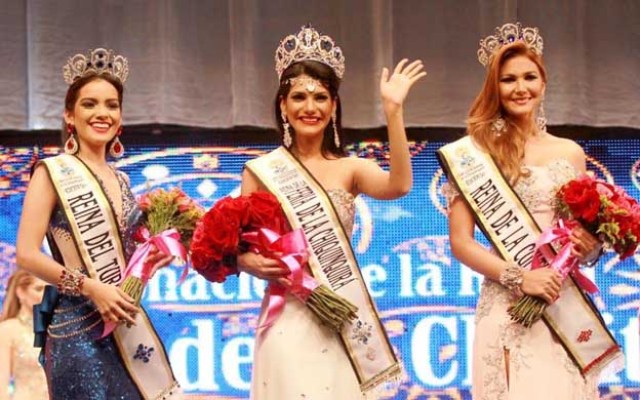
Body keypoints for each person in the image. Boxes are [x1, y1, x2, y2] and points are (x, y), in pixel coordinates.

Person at [238, 25, 425, 399]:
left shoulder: (349, 168)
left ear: (334, 105)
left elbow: (400, 185)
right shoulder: (260, 171)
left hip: (340, 314)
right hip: (286, 318)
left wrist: (394, 112)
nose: (310, 107)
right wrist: (251, 264)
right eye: (299, 97)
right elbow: (241, 249)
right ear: (283, 105)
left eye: (321, 97)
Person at [442, 23, 611, 399]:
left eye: (529, 77)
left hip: (560, 300)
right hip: (507, 302)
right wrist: (520, 279)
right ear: (494, 88)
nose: (521, 88)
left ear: (544, 82)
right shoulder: (474, 153)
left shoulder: (569, 152)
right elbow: (460, 242)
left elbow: (582, 236)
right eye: (508, 79)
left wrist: (590, 246)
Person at [15, 48, 182, 399]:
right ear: (69, 115)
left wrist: (153, 256)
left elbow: (128, 253)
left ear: (120, 118)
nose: (102, 113)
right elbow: (27, 255)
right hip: (75, 331)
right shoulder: (51, 172)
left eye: (111, 105)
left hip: (124, 326)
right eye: (90, 104)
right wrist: (91, 288)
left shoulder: (121, 180)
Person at [0, 270, 48, 400]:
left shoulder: (57, 331)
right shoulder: (7, 330)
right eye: (38, 289)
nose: (45, 295)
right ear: (21, 292)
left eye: (49, 290)